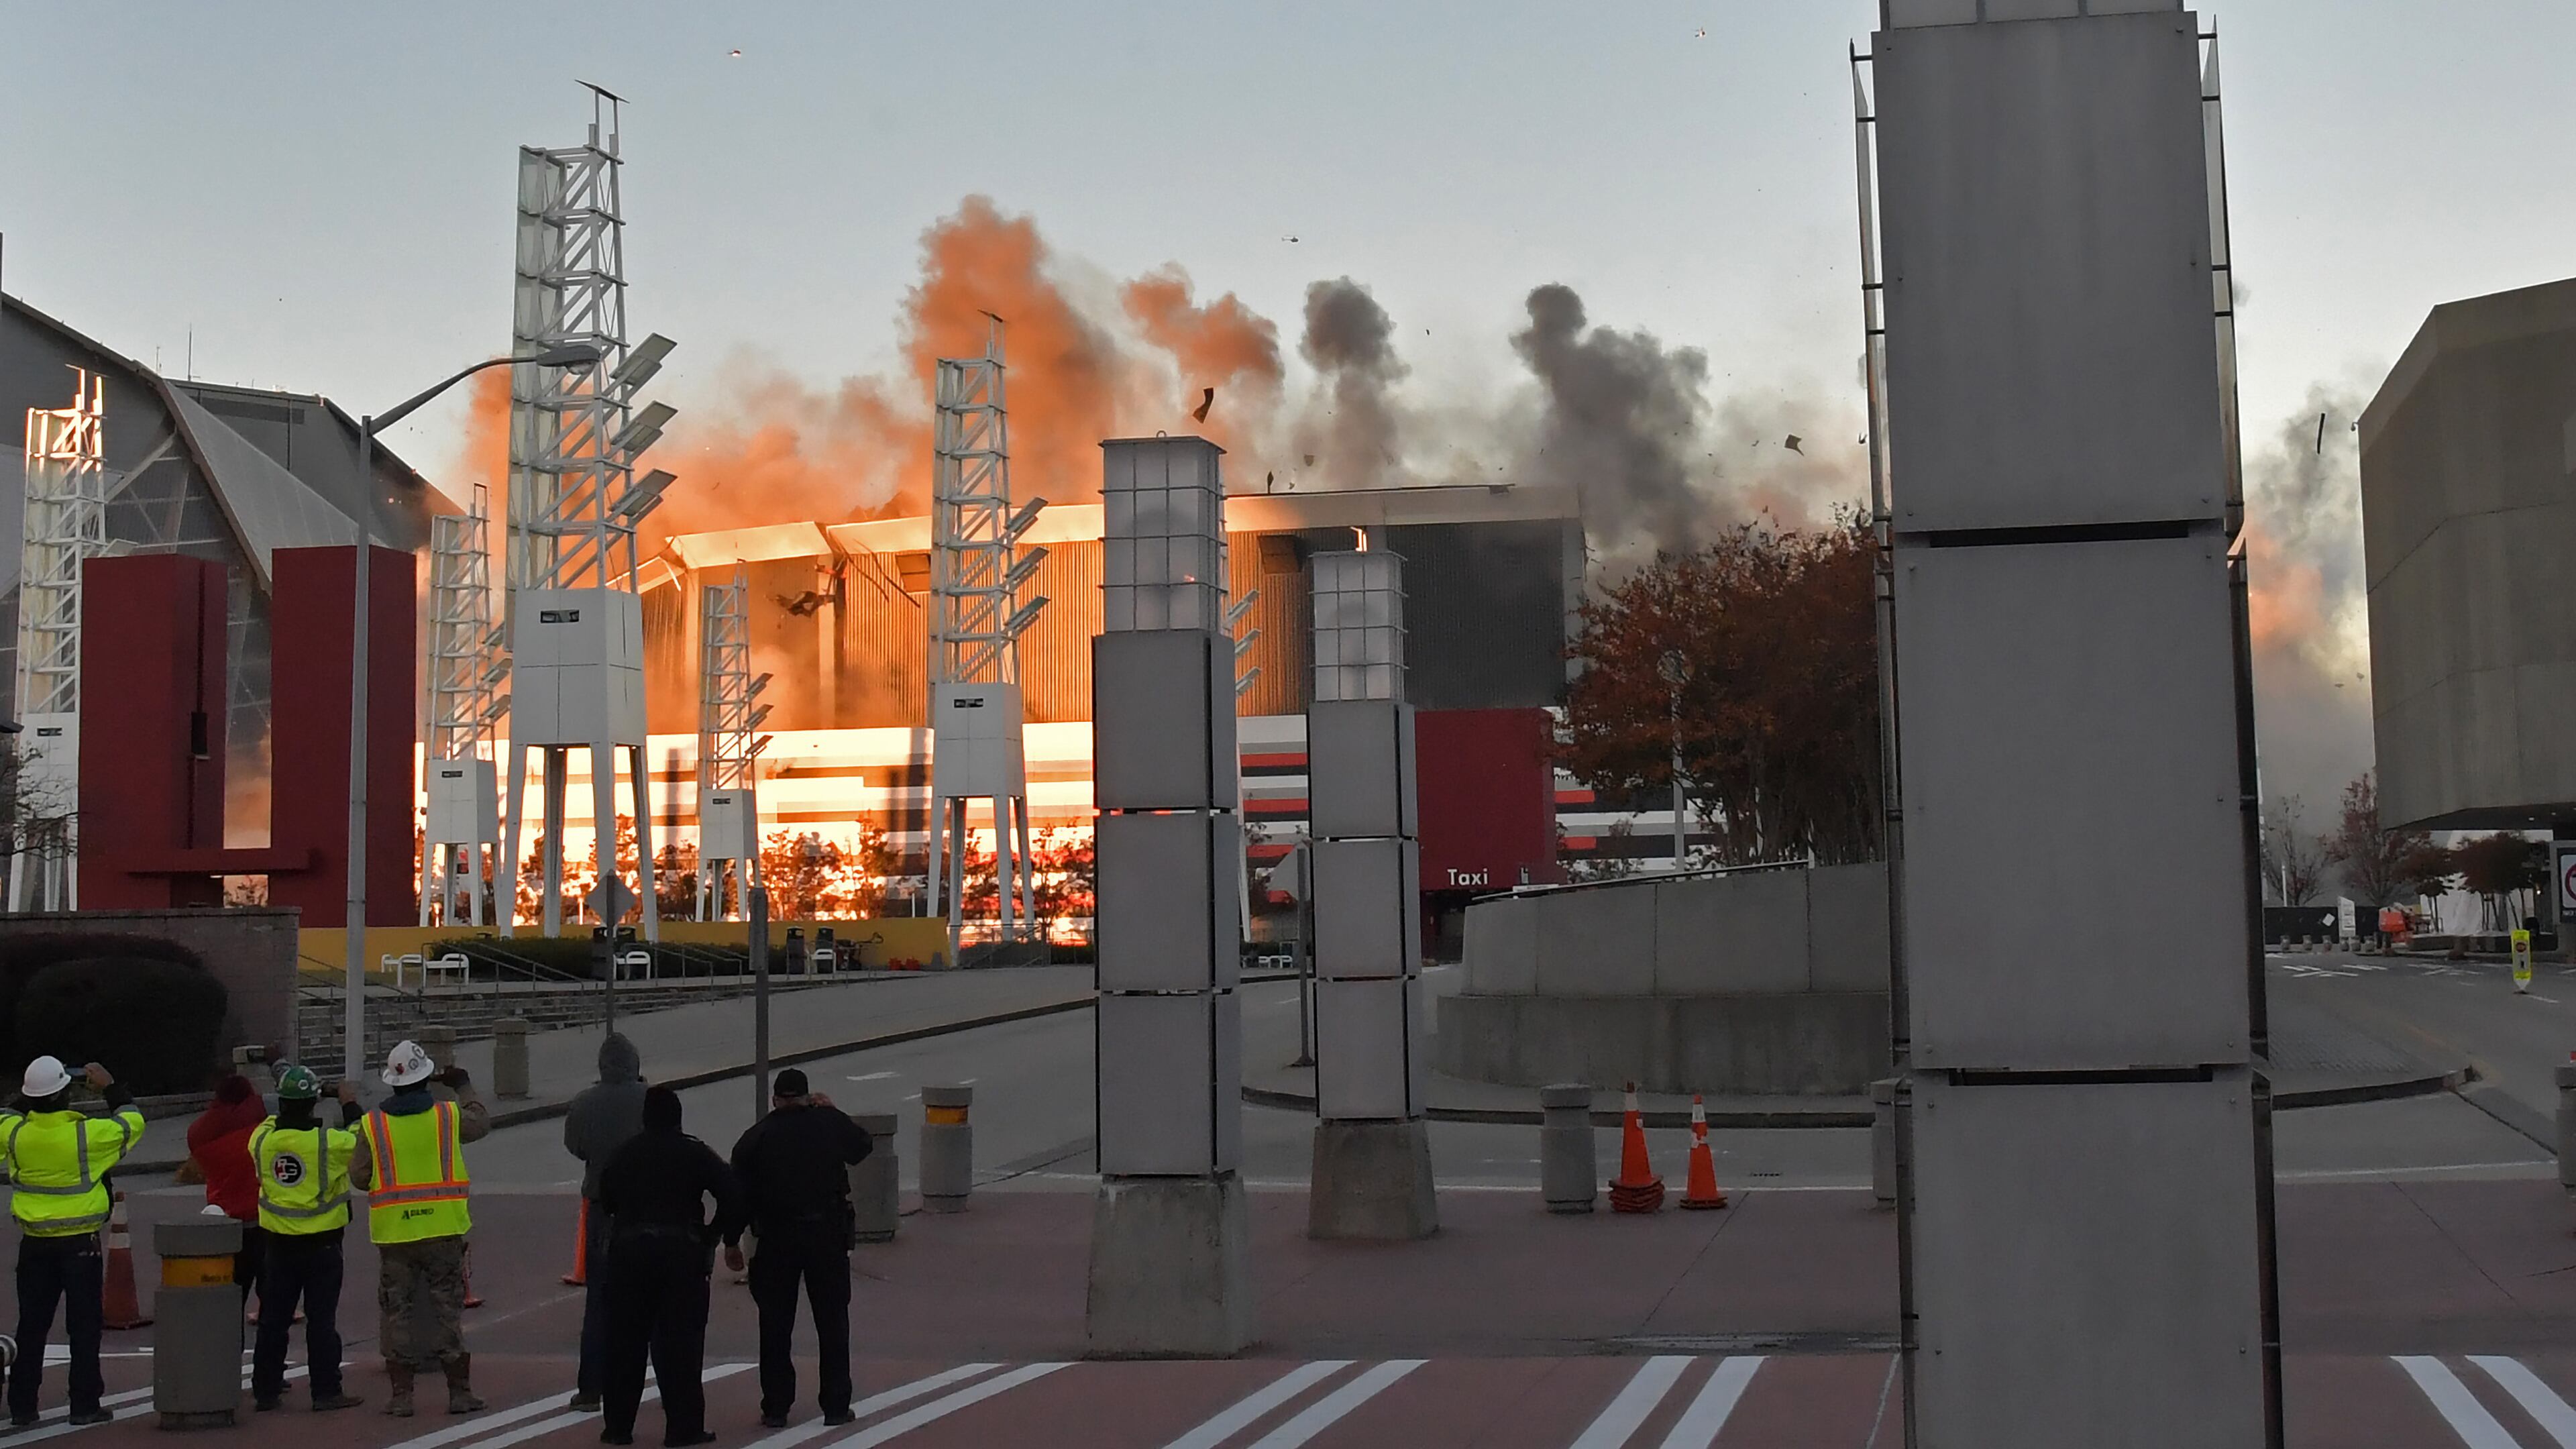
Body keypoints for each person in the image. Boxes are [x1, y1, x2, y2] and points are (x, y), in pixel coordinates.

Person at [0, 1057, 144, 1428]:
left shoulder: (15, 1133)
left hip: (34, 1243)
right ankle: (84, 1405)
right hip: (80, 1244)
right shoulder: (86, 1135)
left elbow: (6, 1115)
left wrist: (31, 1094)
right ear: (66, 1094)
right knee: (84, 1326)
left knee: (32, 1325)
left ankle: (22, 1406)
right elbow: (132, 1122)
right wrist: (111, 1086)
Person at [596, 1086, 743, 1448]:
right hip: (681, 1253)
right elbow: (734, 1195)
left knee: (624, 1343)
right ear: (678, 1118)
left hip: (629, 1253)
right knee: (681, 1343)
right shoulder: (694, 1152)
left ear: (644, 1118)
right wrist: (714, 1234)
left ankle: (618, 1427)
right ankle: (683, 1428)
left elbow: (606, 1198)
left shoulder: (625, 1153)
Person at [725, 1069, 872, 1430]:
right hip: (826, 1235)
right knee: (833, 1321)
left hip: (777, 1239)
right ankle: (836, 1405)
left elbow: (739, 1198)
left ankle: (776, 1407)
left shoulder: (755, 1138)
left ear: (775, 1099)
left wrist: (730, 1240)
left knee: (775, 1325)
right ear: (807, 1097)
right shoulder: (827, 1123)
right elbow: (862, 1146)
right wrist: (833, 1111)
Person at [354, 1040, 489, 1418]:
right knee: (447, 1310)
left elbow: (360, 1176)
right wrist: (463, 1085)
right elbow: (481, 1121)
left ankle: (401, 1398)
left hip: (395, 1235)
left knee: (399, 1311)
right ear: (427, 1077)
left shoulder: (373, 1124)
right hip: (444, 1230)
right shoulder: (448, 1116)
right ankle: (459, 1393)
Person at [248, 1065, 367, 1413]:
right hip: (322, 1245)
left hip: (277, 1244)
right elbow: (361, 1136)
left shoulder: (261, 1140)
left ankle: (265, 1391)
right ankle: (326, 1391)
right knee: (321, 1321)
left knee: (273, 1319)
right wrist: (346, 1101)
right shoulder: (328, 1144)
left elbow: (271, 1121)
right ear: (313, 1103)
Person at [564, 1032, 647, 1411]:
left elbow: (575, 1145)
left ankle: (591, 1387)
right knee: (655, 1301)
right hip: (645, 1207)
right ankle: (665, 1381)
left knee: (598, 1300)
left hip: (601, 1207)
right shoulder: (649, 1100)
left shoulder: (584, 1103)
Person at [185, 1073, 268, 1316]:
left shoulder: (201, 1132)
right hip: (264, 1217)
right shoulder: (260, 1126)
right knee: (272, 1298)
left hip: (226, 1219)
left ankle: (228, 1350)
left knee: (230, 1297)